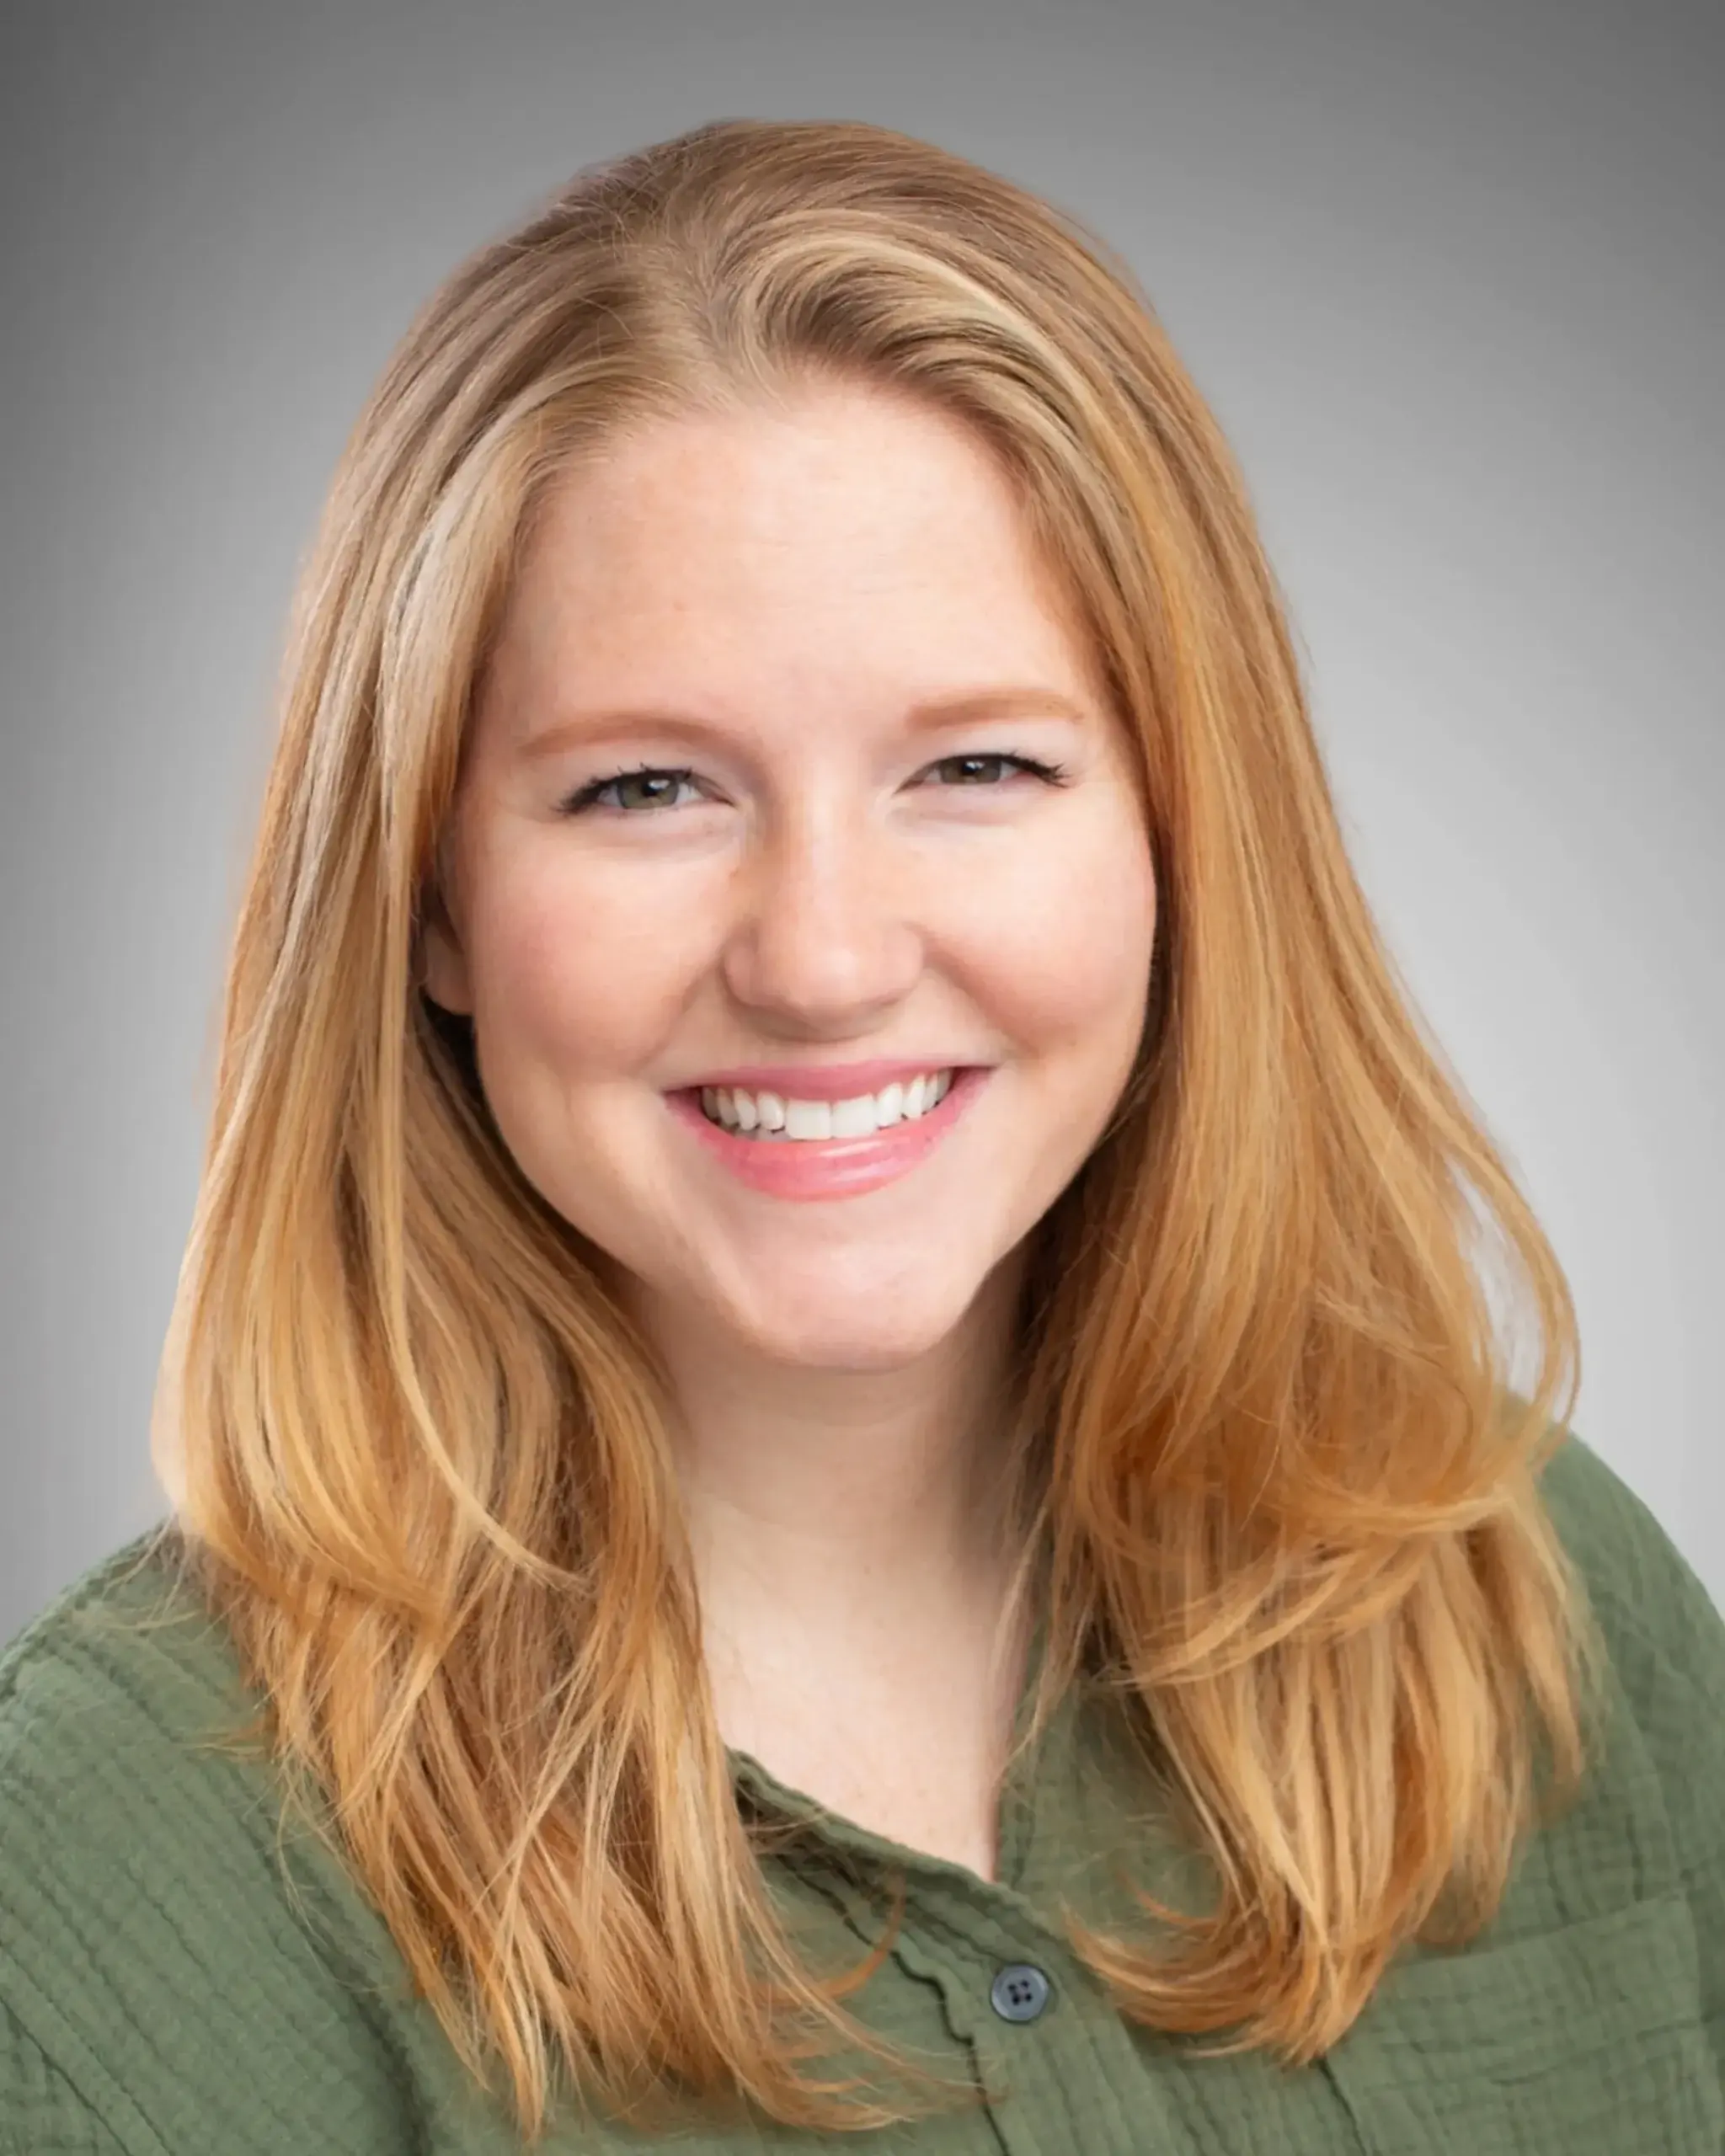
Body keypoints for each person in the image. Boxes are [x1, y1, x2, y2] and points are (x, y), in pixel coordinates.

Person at [1, 115, 1720, 2155]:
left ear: (1181, 840)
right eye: (646, 789)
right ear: (433, 898)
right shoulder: (123, 1857)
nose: (819, 958)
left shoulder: (1524, 1585)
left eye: (976, 763)